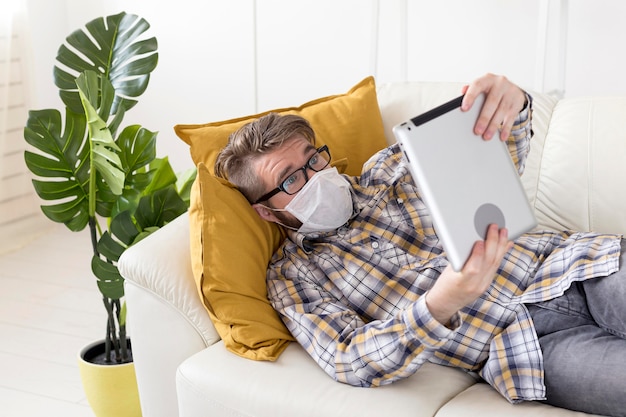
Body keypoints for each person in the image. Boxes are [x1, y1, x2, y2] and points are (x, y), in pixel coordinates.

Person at [214, 73, 626, 416]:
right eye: (290, 180)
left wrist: (513, 104)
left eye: (313, 160)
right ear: (266, 212)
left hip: (578, 267)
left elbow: (497, 162)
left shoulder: (390, 168)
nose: (314, 177)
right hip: (526, 346)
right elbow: (348, 357)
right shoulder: (294, 276)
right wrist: (438, 305)